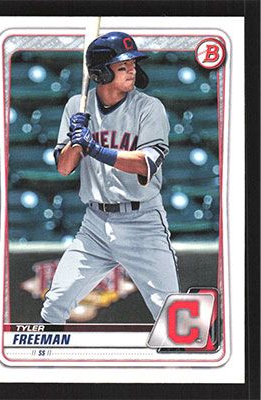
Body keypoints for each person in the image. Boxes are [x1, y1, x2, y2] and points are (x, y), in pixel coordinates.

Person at [40, 31, 180, 323]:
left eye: (133, 64)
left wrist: (95, 148)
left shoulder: (149, 107)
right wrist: (75, 142)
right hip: (95, 224)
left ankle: (185, 354)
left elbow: (145, 163)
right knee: (53, 305)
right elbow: (64, 167)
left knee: (172, 317)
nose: (132, 70)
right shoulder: (77, 106)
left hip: (142, 222)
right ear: (101, 73)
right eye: (122, 66)